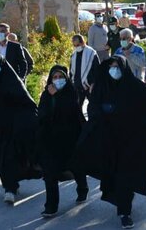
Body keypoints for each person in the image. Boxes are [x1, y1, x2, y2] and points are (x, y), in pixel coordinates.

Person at [75, 56, 146, 229]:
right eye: (111, 67)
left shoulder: (133, 85)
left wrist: (132, 116)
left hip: (129, 141)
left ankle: (125, 212)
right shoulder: (102, 86)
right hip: (108, 140)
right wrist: (103, 113)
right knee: (113, 175)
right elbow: (93, 108)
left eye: (118, 67)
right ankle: (122, 201)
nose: (115, 71)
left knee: (125, 176)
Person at [0, 54, 41, 204]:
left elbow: (25, 100)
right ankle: (9, 185)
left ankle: (11, 187)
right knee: (1, 156)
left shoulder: (10, 80)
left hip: (13, 124)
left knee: (12, 153)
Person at [36, 66, 88, 218]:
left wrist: (56, 96)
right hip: (51, 141)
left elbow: (68, 111)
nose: (58, 80)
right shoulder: (46, 95)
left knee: (76, 167)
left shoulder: (71, 92)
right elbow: (43, 115)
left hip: (70, 139)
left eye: (61, 77)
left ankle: (82, 188)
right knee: (50, 172)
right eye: (55, 77)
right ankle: (51, 206)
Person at [70, 35, 100, 107]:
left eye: (77, 45)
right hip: (77, 86)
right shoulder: (73, 55)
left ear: (82, 43)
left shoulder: (92, 53)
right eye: (74, 45)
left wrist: (94, 83)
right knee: (77, 108)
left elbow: (97, 70)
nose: (76, 47)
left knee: (94, 107)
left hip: (89, 86)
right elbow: (71, 71)